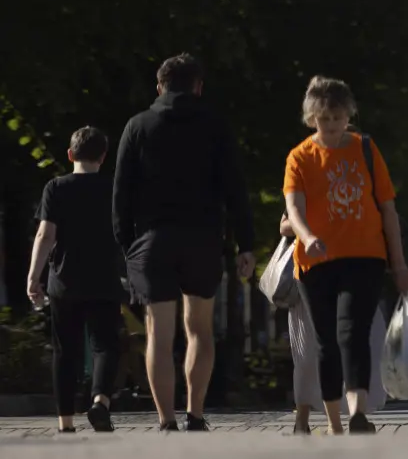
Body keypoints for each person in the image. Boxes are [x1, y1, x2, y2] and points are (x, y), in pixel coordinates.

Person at [112, 54, 257, 432]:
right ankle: (195, 414)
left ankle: (166, 421)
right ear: (198, 86)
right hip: (202, 239)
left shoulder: (137, 126)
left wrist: (127, 247)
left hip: (151, 241)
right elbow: (235, 190)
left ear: (159, 86)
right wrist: (246, 244)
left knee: (159, 335)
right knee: (199, 330)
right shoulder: (215, 126)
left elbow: (120, 196)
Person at [283, 76, 408, 435]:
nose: (332, 127)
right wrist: (307, 237)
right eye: (324, 120)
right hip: (315, 262)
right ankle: (334, 422)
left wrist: (398, 264)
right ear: (312, 118)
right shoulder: (300, 157)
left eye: (339, 118)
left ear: (349, 115)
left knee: (352, 333)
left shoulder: (366, 149)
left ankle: (358, 413)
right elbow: (293, 208)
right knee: (325, 340)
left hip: (365, 256)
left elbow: (388, 211)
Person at [27, 127, 125, 434]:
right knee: (107, 345)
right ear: (104, 157)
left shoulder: (56, 187)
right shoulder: (114, 188)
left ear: (70, 154)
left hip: (64, 280)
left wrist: (34, 276)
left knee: (64, 350)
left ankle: (65, 422)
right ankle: (100, 401)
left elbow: (46, 234)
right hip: (106, 279)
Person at [279, 213, 388, 434]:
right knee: (309, 355)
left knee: (354, 344)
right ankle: (311, 420)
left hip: (351, 271)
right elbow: (285, 226)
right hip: (310, 277)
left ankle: (354, 416)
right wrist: (313, 225)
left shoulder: (361, 181)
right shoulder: (304, 181)